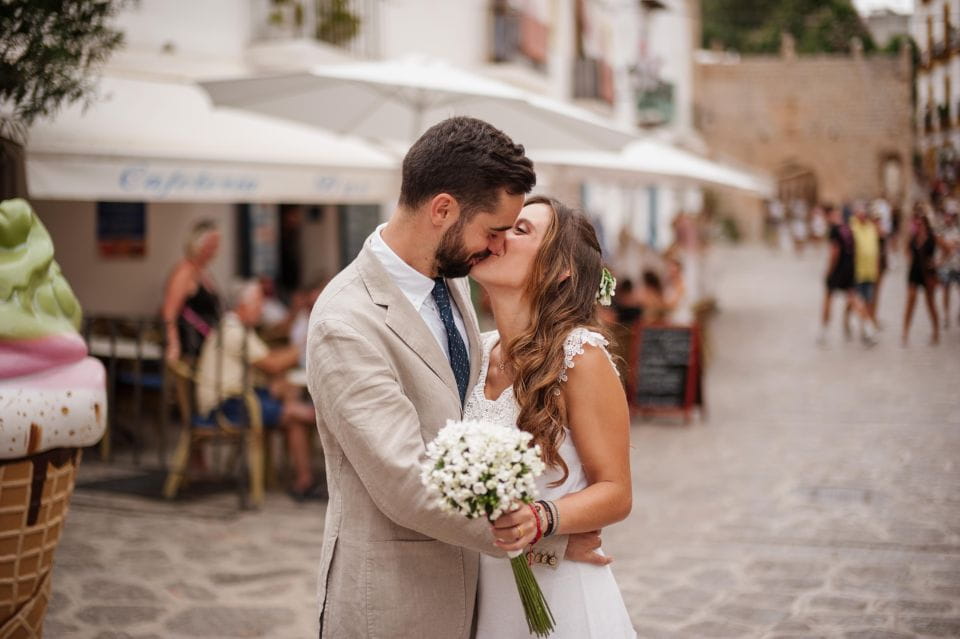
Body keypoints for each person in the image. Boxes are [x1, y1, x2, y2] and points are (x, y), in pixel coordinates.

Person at [305, 117, 603, 639]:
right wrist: (543, 538)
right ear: (443, 209)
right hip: (398, 603)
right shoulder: (345, 322)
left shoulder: (454, 285)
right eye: (492, 231)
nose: (494, 248)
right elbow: (405, 482)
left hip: (476, 596)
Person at [467, 196, 635, 638]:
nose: (500, 236)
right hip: (486, 592)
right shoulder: (476, 352)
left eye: (521, 230)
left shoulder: (580, 356)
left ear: (560, 270)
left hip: (561, 599)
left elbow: (616, 492)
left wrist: (543, 520)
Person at [196, 280, 320, 499]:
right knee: (300, 412)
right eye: (258, 303)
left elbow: (268, 361)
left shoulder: (237, 327)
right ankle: (310, 472)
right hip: (226, 405)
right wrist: (307, 342)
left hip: (237, 398)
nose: (262, 309)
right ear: (243, 305)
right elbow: (272, 363)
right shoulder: (234, 331)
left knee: (292, 404)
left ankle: (304, 479)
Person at [162, 220, 222, 363]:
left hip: (205, 345)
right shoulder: (184, 271)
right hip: (189, 345)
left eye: (217, 244)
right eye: (211, 244)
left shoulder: (203, 272)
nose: (215, 249)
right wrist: (173, 345)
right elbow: (169, 311)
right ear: (198, 244)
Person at [818, 204, 872, 346]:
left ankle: (824, 333)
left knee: (828, 299)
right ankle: (868, 328)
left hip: (838, 270)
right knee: (854, 299)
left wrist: (829, 271)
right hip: (850, 269)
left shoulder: (834, 230)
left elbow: (834, 253)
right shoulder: (848, 228)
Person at [902, 212, 942, 345]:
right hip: (914, 273)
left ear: (925, 224)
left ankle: (936, 331)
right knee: (910, 303)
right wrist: (910, 260)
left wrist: (937, 263)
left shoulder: (932, 237)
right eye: (916, 223)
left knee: (930, 304)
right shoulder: (913, 237)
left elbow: (947, 248)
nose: (918, 226)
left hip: (928, 274)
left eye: (920, 223)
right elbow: (906, 249)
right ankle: (905, 333)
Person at [849, 201, 881, 345]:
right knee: (855, 301)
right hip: (856, 271)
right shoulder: (852, 228)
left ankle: (865, 330)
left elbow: (875, 250)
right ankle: (868, 326)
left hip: (869, 271)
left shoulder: (870, 228)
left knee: (866, 302)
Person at [937, 210, 960, 329]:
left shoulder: (957, 230)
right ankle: (946, 315)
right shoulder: (942, 231)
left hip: (957, 265)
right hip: (946, 266)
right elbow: (943, 246)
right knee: (946, 291)